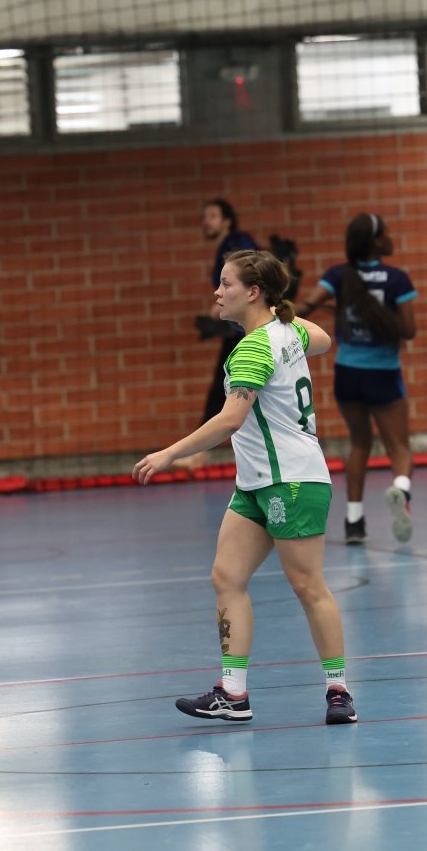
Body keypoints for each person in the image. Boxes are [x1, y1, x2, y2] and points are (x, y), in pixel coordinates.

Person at [134, 248, 357, 725]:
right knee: (226, 577)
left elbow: (230, 419)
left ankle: (338, 690)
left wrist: (170, 453)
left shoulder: (254, 348)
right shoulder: (288, 330)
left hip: (290, 480)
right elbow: (322, 338)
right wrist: (282, 318)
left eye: (226, 284)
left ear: (253, 292)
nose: (217, 292)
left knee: (308, 585)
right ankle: (233, 694)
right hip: (256, 482)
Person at [295, 212, 419, 544]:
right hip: (384, 373)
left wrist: (277, 310)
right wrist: (383, 319)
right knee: (399, 446)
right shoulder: (397, 280)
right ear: (376, 241)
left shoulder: (338, 275)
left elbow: (306, 306)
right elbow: (409, 330)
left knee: (359, 443)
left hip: (348, 373)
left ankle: (353, 522)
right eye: (387, 233)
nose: (391, 237)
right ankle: (401, 490)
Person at [175, 199, 260, 470]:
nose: (206, 221)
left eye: (212, 216)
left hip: (246, 329)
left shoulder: (239, 242)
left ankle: (199, 452)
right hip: (238, 327)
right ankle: (201, 452)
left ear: (227, 220)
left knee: (224, 388)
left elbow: (251, 273)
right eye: (205, 216)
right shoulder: (225, 247)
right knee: (223, 387)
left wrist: (227, 302)